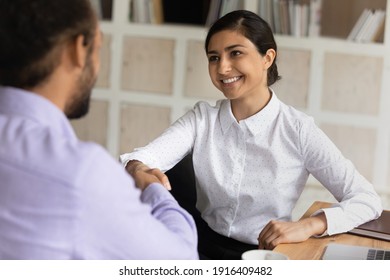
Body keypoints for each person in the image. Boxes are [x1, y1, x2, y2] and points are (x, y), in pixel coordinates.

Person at [120, 10, 383, 260]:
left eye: (235, 53)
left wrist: (311, 224)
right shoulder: (201, 119)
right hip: (196, 247)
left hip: (265, 253)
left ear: (267, 58)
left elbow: (366, 199)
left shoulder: (298, 130)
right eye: (214, 57)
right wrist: (137, 168)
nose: (222, 68)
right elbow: (140, 158)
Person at [0, 0, 198, 260]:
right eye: (99, 46)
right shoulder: (80, 175)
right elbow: (181, 265)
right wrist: (154, 189)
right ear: (78, 50)